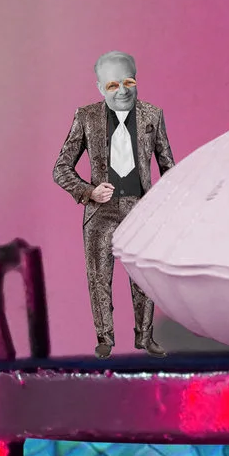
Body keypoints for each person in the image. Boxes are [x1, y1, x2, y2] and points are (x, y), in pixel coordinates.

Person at [52, 49, 176, 356]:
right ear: (99, 87)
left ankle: (144, 337)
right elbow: (61, 169)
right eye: (112, 85)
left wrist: (167, 203)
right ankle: (104, 338)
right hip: (101, 211)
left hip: (141, 208)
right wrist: (89, 191)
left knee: (145, 275)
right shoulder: (86, 117)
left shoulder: (152, 115)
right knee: (99, 276)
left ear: (136, 80)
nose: (122, 91)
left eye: (128, 82)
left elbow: (168, 166)